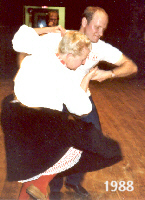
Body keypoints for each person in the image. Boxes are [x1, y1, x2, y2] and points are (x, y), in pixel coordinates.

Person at [11, 6, 137, 199]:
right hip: (57, 98)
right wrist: (50, 32)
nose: (100, 33)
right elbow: (21, 41)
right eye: (96, 27)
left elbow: (131, 66)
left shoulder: (101, 48)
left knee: (88, 138)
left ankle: (71, 183)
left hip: (70, 96)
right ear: (84, 22)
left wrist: (109, 73)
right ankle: (49, 188)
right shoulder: (60, 38)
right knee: (60, 145)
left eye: (104, 29)